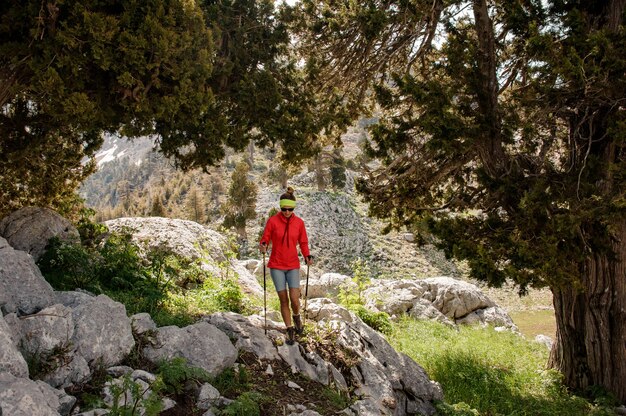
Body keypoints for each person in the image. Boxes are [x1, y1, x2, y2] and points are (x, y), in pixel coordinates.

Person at [259, 187, 313, 345]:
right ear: (280, 207)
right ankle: (290, 330)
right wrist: (263, 245)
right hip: (276, 265)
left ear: (294, 208)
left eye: (290, 209)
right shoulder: (273, 221)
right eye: (284, 209)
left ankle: (296, 317)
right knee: (283, 299)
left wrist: (307, 255)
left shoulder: (299, 223)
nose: (287, 212)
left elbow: (303, 242)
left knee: (294, 299)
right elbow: (265, 238)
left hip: (293, 265)